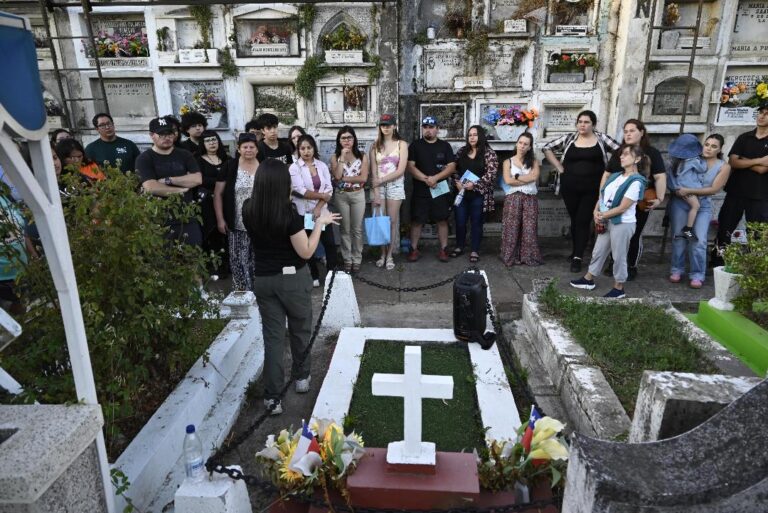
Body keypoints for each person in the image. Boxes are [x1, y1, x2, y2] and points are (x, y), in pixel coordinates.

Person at [242, 159, 341, 415]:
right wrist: (320, 223)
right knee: (300, 330)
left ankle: (272, 397)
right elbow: (306, 251)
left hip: (263, 280)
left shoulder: (248, 208)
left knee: (273, 338)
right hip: (292, 279)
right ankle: (302, 377)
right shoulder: (289, 215)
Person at [543, 110, 620, 272]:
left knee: (583, 220)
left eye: (586, 122)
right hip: (569, 187)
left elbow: (621, 151)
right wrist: (559, 167)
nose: (582, 125)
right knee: (575, 220)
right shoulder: (570, 138)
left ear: (593, 124)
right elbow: (547, 147)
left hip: (592, 190)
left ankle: (578, 258)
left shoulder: (601, 139)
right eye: (580, 122)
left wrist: (610, 171)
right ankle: (575, 251)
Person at [570, 144, 648, 298]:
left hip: (623, 223)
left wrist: (602, 215)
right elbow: (603, 195)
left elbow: (623, 207)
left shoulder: (637, 181)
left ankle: (619, 288)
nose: (621, 156)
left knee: (619, 256)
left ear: (637, 159)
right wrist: (596, 211)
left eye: (626, 154)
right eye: (621, 154)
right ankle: (588, 279)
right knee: (598, 251)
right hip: (607, 219)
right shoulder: (616, 176)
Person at [600, 119, 666, 280]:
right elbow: (607, 174)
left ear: (641, 132)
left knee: (634, 234)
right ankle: (614, 263)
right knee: (615, 232)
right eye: (625, 131)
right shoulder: (619, 152)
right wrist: (602, 196)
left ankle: (631, 266)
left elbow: (659, 176)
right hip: (616, 201)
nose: (628, 134)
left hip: (640, 201)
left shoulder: (652, 153)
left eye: (632, 131)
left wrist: (660, 198)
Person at [668, 134, 731, 288]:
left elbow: (714, 189)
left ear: (720, 149)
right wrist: (677, 190)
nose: (708, 148)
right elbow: (673, 176)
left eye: (714, 146)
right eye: (707, 144)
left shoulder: (723, 166)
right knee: (679, 236)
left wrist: (688, 190)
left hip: (702, 207)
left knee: (699, 239)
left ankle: (697, 274)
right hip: (680, 203)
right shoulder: (690, 157)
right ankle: (677, 269)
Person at [136, 117, 203, 246]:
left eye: (169, 133)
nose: (167, 137)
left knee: (194, 254)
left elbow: (197, 179)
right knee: (164, 257)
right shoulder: (144, 158)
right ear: (152, 135)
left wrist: (168, 180)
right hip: (160, 220)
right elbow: (151, 186)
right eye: (162, 134)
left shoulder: (185, 155)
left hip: (187, 217)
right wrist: (181, 190)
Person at [715, 101, 768, 253]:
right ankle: (718, 258)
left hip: (760, 195)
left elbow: (762, 170)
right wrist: (759, 160)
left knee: (757, 235)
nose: (762, 116)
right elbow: (733, 162)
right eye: (761, 112)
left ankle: (754, 262)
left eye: (766, 114)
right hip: (736, 191)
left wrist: (743, 160)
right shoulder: (744, 137)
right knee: (725, 228)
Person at [289, 134, 338, 286]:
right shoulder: (294, 168)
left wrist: (318, 207)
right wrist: (322, 196)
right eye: (302, 148)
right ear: (298, 150)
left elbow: (329, 189)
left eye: (309, 148)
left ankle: (332, 274)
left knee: (330, 244)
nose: (306, 151)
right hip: (304, 213)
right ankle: (314, 276)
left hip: (322, 212)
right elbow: (300, 190)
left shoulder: (322, 165)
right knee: (308, 245)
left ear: (313, 148)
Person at [406, 115, 456, 263]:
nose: (428, 130)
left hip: (440, 188)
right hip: (420, 189)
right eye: (425, 127)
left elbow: (451, 167)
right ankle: (414, 249)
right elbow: (410, 166)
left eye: (431, 127)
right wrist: (427, 179)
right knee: (417, 221)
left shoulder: (445, 146)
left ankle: (444, 249)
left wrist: (436, 178)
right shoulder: (415, 145)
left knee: (442, 220)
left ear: (437, 129)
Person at [214, 133, 260, 290]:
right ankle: (242, 291)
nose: (248, 150)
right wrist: (220, 219)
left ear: (257, 149)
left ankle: (259, 292)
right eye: (245, 147)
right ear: (239, 149)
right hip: (236, 222)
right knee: (238, 258)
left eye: (252, 147)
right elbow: (218, 194)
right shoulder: (230, 166)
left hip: (260, 223)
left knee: (258, 258)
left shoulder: (264, 165)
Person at [451, 125, 498, 263]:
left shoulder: (489, 153)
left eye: (475, 135)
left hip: (479, 195)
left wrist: (475, 185)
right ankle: (459, 246)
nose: (472, 137)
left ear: (481, 136)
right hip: (462, 193)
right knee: (460, 221)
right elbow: (454, 169)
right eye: (470, 135)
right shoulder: (461, 151)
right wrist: (456, 182)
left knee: (476, 222)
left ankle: (474, 250)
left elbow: (491, 174)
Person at [371, 113, 408, 270]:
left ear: (394, 126)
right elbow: (374, 172)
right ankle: (382, 254)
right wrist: (376, 193)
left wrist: (381, 180)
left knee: (392, 222)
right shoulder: (375, 146)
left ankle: (390, 255)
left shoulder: (402, 144)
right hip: (379, 187)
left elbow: (400, 170)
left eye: (388, 125)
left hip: (395, 185)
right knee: (381, 222)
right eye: (383, 125)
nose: (385, 127)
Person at [500, 132, 543, 266]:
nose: (522, 146)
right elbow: (508, 181)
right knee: (511, 228)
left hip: (530, 198)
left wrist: (517, 177)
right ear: (516, 143)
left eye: (526, 144)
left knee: (529, 229)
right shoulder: (508, 162)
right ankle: (510, 257)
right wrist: (526, 179)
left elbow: (534, 177)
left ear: (530, 147)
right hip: (513, 198)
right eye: (520, 143)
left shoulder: (534, 162)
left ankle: (528, 257)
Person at [330, 126, 369, 273]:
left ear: (354, 139)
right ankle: (347, 259)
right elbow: (337, 176)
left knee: (357, 229)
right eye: (343, 138)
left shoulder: (362, 156)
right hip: (341, 195)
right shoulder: (335, 157)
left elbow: (363, 178)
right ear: (339, 140)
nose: (346, 141)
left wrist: (344, 178)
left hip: (358, 194)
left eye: (349, 137)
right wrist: (342, 158)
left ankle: (357, 258)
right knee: (344, 229)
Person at [197, 130, 229, 274]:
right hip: (208, 204)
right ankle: (215, 266)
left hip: (227, 201)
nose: (212, 143)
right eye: (208, 140)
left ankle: (228, 264)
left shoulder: (227, 159)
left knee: (227, 233)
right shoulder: (198, 160)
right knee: (213, 234)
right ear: (203, 144)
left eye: (214, 139)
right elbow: (200, 180)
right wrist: (220, 182)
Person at [667, 134, 707, 240]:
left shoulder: (674, 161)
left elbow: (670, 178)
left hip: (679, 188)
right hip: (689, 189)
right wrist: (702, 160)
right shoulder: (693, 160)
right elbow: (702, 169)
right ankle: (688, 229)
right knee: (696, 206)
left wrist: (676, 189)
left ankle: (684, 227)